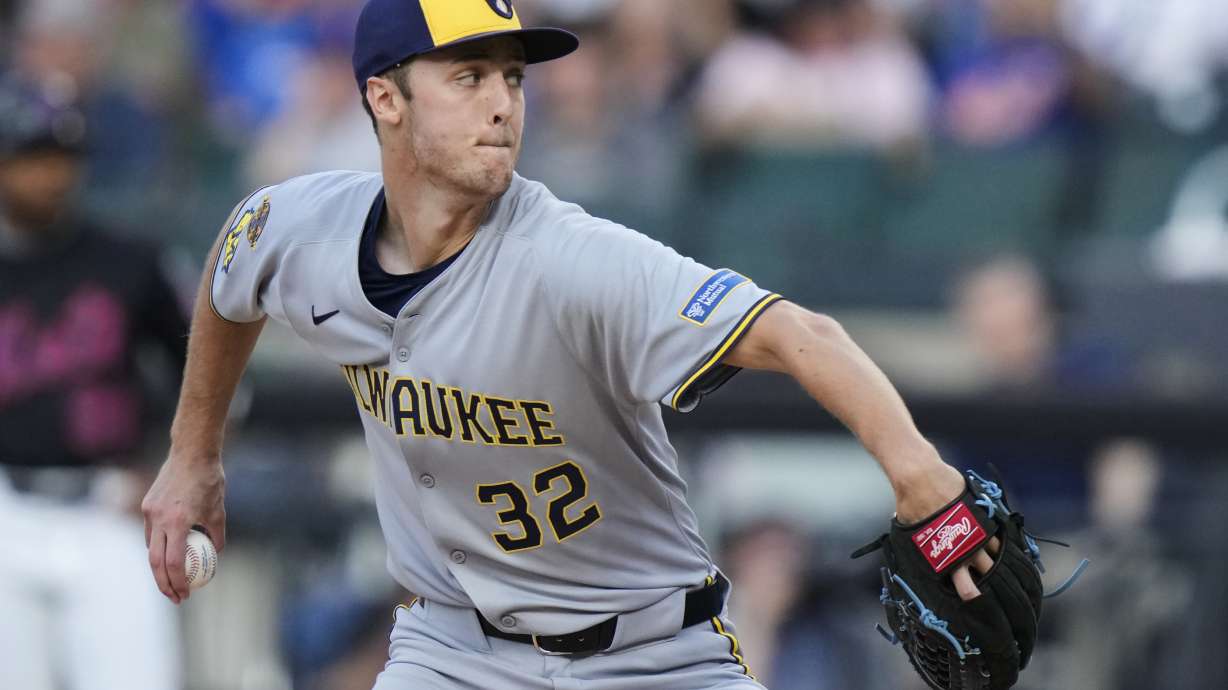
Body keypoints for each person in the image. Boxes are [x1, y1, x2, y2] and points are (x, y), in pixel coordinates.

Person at [142, 1, 1001, 687]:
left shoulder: (574, 260)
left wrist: (923, 480)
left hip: (653, 657)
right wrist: (193, 456)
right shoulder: (305, 226)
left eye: (512, 78)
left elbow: (801, 333)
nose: (502, 103)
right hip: (452, 654)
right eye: (468, 76)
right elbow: (232, 265)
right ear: (385, 98)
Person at [0, 69, 187, 690]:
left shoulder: (129, 261)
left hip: (108, 509)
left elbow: (214, 374)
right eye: (32, 157)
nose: (52, 175)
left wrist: (178, 469)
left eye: (63, 157)